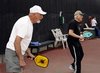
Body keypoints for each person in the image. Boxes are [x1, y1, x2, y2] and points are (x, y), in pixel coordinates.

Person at [5, 5, 47, 73]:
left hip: (17, 53)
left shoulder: (29, 23)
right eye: (40, 14)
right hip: (13, 54)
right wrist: (21, 59)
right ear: (33, 14)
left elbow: (23, 42)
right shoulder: (25, 23)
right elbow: (17, 42)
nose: (42, 17)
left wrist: (29, 53)